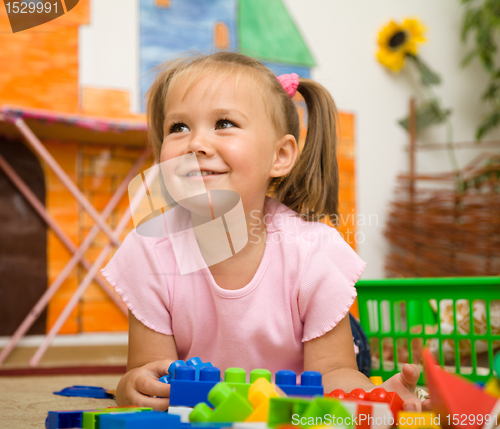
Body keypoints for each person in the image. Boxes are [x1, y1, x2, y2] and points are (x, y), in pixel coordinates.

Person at [101, 52, 430, 412]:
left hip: (321, 351)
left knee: (353, 365)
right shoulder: (150, 250)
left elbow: (333, 373)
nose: (195, 144)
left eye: (223, 123)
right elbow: (149, 371)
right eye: (178, 127)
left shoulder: (311, 251)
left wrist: (374, 397)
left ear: (280, 156)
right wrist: (135, 385)